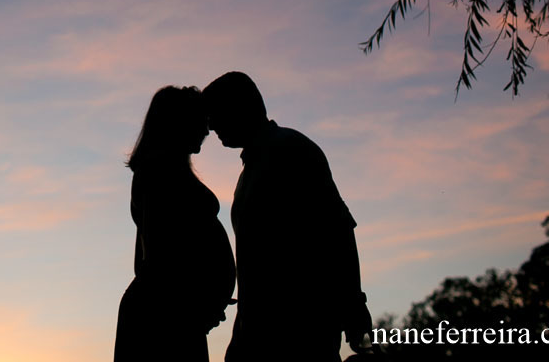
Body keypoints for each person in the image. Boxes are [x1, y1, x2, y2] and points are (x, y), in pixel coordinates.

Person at [201, 72, 372, 361]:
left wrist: (354, 308)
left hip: (299, 333)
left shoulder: (291, 151)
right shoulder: (251, 170)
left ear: (239, 108)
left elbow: (337, 230)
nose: (211, 125)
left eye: (215, 114)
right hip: (255, 333)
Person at [114, 85, 236, 362]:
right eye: (200, 121)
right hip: (165, 318)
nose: (207, 131)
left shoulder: (166, 171)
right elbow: (159, 256)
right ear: (179, 122)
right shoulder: (159, 172)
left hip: (172, 313)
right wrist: (197, 301)